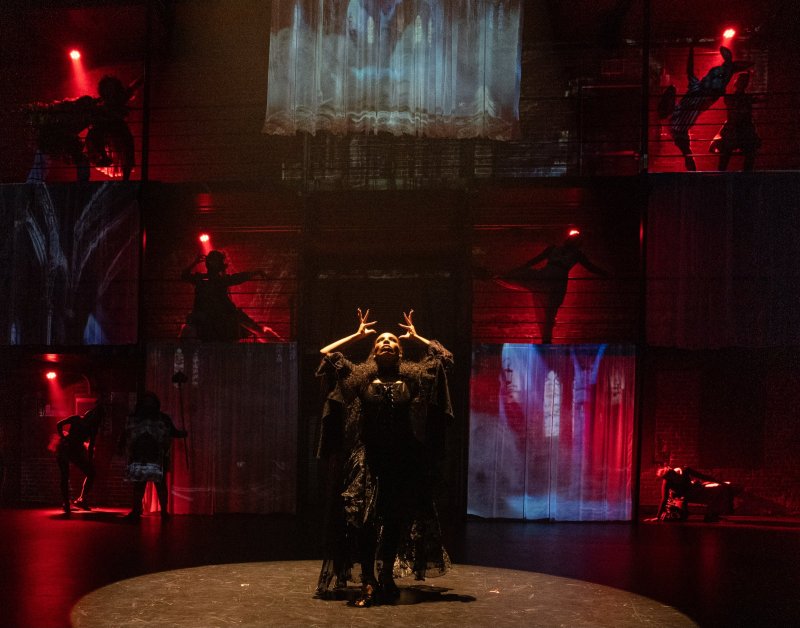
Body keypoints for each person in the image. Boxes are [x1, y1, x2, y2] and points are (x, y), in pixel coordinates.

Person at [314, 308, 453, 607]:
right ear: (374, 351)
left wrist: (417, 337)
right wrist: (357, 335)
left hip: (402, 459)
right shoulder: (360, 379)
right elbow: (326, 354)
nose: (387, 342)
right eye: (381, 341)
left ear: (400, 351)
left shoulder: (413, 378)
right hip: (368, 459)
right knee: (363, 522)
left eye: (393, 340)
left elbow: (444, 357)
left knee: (393, 521)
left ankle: (386, 575)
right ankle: (367, 581)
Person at [492, 229, 608, 343]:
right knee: (548, 308)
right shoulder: (558, 249)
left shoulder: (574, 253)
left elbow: (590, 267)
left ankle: (547, 339)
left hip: (555, 280)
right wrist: (520, 268)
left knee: (550, 310)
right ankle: (498, 275)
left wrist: (604, 273)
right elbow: (536, 260)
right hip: (552, 278)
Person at [666, 46, 752, 171]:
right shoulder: (698, 87)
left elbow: (690, 71)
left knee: (688, 154)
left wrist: (691, 49)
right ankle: (694, 174)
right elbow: (690, 71)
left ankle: (694, 175)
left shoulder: (699, 89)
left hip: (681, 123)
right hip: (680, 124)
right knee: (688, 154)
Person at [122, 392, 187, 521]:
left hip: (156, 456)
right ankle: (136, 511)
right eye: (147, 401)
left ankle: (163, 512)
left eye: (151, 402)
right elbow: (126, 434)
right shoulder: (135, 418)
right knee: (140, 485)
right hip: (139, 456)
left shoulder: (162, 418)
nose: (148, 404)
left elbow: (172, 432)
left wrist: (181, 433)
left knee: (159, 485)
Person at [179, 250, 270, 342]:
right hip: (220, 316)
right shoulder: (220, 280)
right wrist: (256, 273)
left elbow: (184, 275)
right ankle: (264, 334)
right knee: (239, 317)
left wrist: (195, 262)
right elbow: (237, 278)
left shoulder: (200, 279)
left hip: (203, 315)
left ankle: (262, 333)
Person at [54, 404, 105, 515]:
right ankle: (68, 502)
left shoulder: (87, 425)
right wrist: (63, 437)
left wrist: (90, 460)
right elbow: (59, 424)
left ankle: (80, 500)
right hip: (67, 448)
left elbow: (91, 446)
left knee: (88, 473)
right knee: (66, 475)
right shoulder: (78, 420)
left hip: (73, 450)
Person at [709, 72, 761, 171]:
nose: (743, 84)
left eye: (744, 82)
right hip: (738, 130)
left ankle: (739, 176)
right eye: (742, 82)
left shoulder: (739, 98)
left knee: (743, 151)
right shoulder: (739, 98)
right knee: (730, 152)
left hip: (740, 130)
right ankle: (741, 177)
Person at [652, 465, 738, 523]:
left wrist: (720, 482)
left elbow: (703, 476)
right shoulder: (667, 481)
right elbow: (664, 498)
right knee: (681, 517)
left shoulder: (685, 470)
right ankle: (709, 515)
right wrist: (658, 516)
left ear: (674, 473)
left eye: (674, 477)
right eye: (670, 479)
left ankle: (711, 515)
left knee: (719, 489)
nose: (673, 480)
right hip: (680, 497)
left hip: (692, 491)